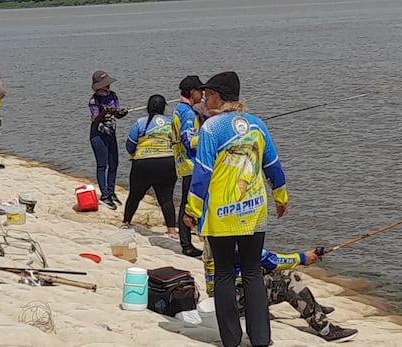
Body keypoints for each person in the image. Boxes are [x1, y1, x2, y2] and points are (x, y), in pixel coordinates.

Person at [183, 72, 288, 347]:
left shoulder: (211, 128)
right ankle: (261, 339)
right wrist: (281, 197)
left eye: (207, 95)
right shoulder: (257, 124)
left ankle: (231, 339)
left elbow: (202, 173)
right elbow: (273, 166)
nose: (204, 100)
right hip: (254, 210)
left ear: (218, 95)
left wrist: (191, 210)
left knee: (225, 274)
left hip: (222, 213)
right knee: (253, 272)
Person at [228, 247, 359, 343]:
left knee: (268, 272)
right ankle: (325, 328)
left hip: (224, 294)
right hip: (236, 297)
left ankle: (314, 308)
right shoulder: (236, 238)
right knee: (288, 277)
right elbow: (271, 260)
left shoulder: (218, 233)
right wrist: (302, 258)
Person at [121, 95, 178, 238]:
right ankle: (171, 230)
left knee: (135, 195)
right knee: (166, 198)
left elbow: (130, 146)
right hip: (166, 163)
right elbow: (177, 143)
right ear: (164, 108)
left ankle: (126, 222)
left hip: (143, 164)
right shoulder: (170, 123)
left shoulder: (140, 123)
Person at [172, 76, 205, 257]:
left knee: (187, 202)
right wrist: (207, 138)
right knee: (190, 203)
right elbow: (187, 140)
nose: (203, 95)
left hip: (184, 164)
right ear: (193, 92)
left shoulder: (180, 108)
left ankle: (187, 242)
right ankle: (187, 244)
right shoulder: (188, 113)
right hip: (191, 164)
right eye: (201, 91)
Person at [88, 70, 128, 210]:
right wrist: (104, 112)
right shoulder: (94, 100)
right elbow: (95, 119)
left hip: (111, 133)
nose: (108, 86)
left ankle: (111, 191)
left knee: (114, 163)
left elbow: (117, 114)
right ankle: (104, 195)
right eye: (105, 84)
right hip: (98, 135)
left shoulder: (113, 96)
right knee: (102, 165)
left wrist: (121, 113)